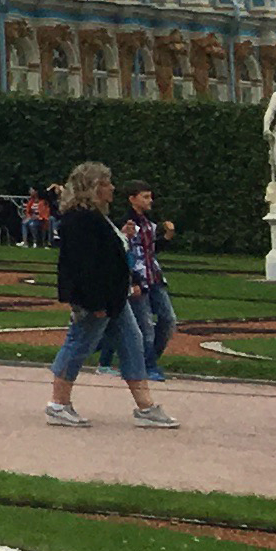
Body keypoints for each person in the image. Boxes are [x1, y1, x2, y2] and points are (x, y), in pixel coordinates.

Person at [46, 161, 174, 430]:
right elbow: (83, 266)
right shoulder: (80, 219)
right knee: (79, 343)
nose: (112, 188)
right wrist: (95, 302)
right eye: (107, 183)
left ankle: (146, 406)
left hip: (115, 297)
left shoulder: (97, 216)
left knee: (133, 343)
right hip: (98, 299)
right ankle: (58, 403)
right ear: (93, 187)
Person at [123, 182, 180, 383]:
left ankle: (148, 360)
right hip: (138, 278)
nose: (150, 201)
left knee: (168, 319)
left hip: (154, 276)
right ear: (133, 198)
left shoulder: (147, 221)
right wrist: (132, 280)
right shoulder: (125, 222)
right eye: (145, 197)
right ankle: (147, 365)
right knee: (145, 324)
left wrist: (166, 237)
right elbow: (125, 252)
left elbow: (150, 250)